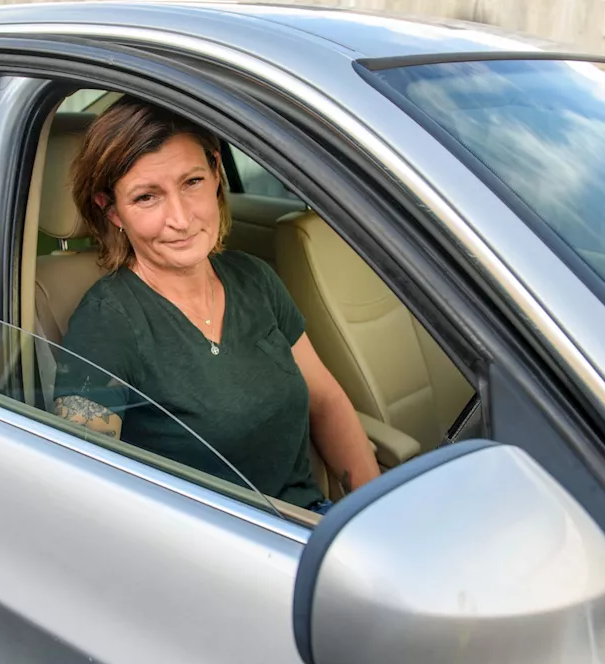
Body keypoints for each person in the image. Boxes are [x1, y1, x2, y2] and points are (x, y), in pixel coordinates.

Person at [53, 96, 379, 512]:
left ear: (216, 175)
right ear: (112, 211)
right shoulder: (107, 323)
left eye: (192, 183)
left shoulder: (254, 278)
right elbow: (83, 489)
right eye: (146, 197)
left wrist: (376, 515)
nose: (182, 219)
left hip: (314, 524)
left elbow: (327, 401)